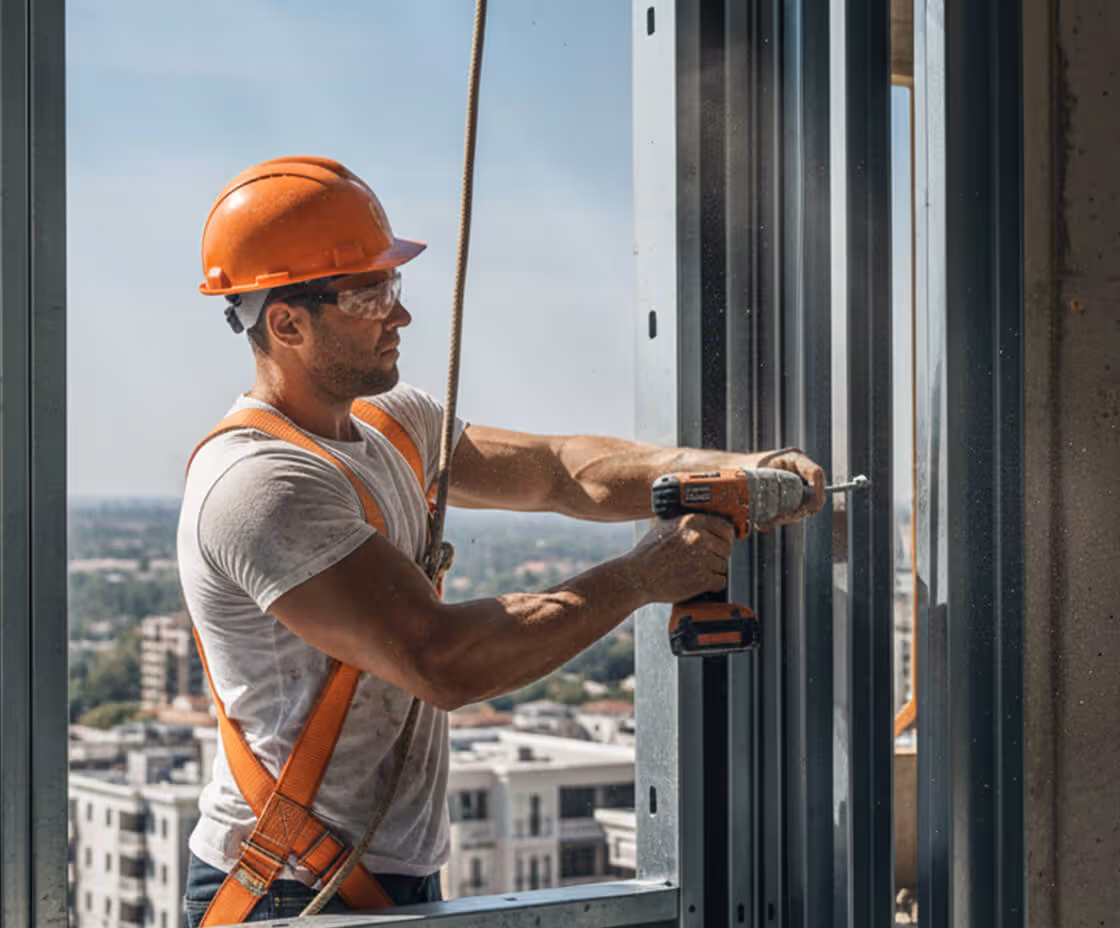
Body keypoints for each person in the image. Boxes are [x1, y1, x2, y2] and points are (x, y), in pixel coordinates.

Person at [178, 156, 825, 926]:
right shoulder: (262, 485)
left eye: (393, 288)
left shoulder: (394, 425)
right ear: (286, 322)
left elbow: (558, 471)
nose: (400, 316)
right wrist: (641, 577)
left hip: (380, 877)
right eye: (368, 294)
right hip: (288, 891)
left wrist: (735, 470)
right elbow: (442, 659)